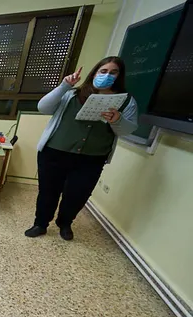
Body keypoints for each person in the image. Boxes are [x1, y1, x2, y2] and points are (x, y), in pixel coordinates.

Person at [26, 56, 138, 240]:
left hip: (92, 157)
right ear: (94, 72)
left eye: (113, 72)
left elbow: (128, 129)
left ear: (120, 76)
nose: (107, 75)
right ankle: (40, 224)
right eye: (103, 71)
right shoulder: (72, 94)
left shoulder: (126, 101)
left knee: (77, 195)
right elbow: (43, 107)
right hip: (55, 152)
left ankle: (65, 224)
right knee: (48, 191)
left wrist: (117, 119)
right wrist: (64, 86)